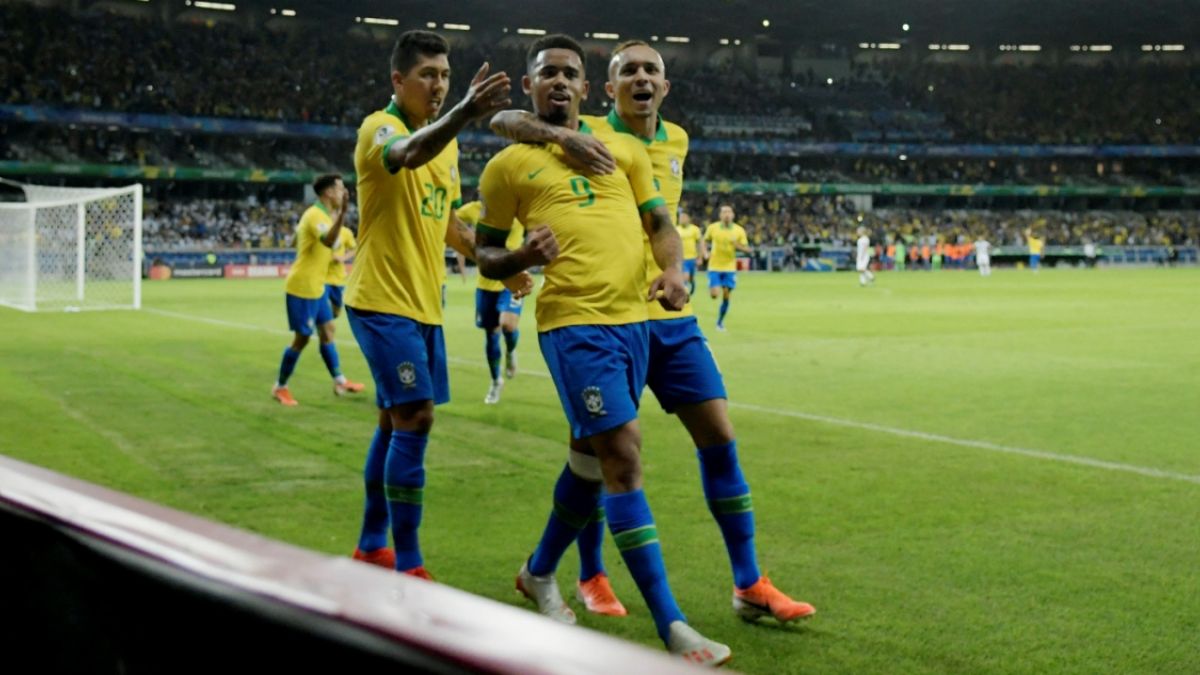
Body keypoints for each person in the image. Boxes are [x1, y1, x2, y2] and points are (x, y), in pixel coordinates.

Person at [491, 38, 815, 634]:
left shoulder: (677, 141)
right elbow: (506, 118)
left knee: (718, 435)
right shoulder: (582, 130)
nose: (641, 79)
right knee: (596, 453)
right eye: (627, 71)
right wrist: (560, 137)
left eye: (652, 71)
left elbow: (661, 222)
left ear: (666, 86)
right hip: (597, 316)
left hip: (666, 316)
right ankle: (590, 573)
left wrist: (675, 272)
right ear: (606, 88)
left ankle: (749, 583)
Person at [477, 34, 729, 665]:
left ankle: (537, 572)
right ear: (532, 86)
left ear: (587, 90)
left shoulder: (625, 151)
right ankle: (672, 626)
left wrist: (675, 272)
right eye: (546, 74)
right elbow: (483, 254)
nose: (558, 82)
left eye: (569, 74)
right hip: (572, 325)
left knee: (588, 464)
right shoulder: (507, 167)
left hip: (636, 324)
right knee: (623, 455)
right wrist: (520, 256)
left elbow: (661, 225)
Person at [344, 30, 525, 576]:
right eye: (429, 75)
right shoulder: (381, 128)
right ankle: (409, 563)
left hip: (423, 305)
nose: (439, 85)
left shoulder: (446, 148)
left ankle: (373, 544)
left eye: (445, 76)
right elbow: (406, 153)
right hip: (380, 300)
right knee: (417, 417)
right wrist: (467, 111)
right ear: (399, 80)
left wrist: (506, 263)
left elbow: (450, 226)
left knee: (392, 422)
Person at [272, 174, 365, 406]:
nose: (345, 193)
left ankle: (339, 380)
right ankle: (280, 386)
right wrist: (343, 214)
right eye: (341, 189)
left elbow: (297, 239)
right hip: (302, 286)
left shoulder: (318, 216)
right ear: (328, 193)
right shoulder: (315, 215)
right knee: (301, 339)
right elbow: (327, 240)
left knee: (328, 330)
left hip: (318, 286)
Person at [457, 200, 525, 404]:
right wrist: (467, 244)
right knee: (491, 334)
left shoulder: (517, 207)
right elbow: (452, 220)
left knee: (507, 325)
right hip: (486, 281)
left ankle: (511, 350)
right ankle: (496, 381)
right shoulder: (475, 209)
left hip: (512, 277)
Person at [704, 205, 751, 331]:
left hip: (730, 267)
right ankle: (712, 285)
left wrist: (737, 245)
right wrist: (704, 253)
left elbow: (747, 249)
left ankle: (719, 322)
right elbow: (704, 241)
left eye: (729, 212)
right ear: (720, 215)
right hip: (714, 266)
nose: (727, 214)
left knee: (726, 295)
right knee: (714, 294)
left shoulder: (739, 230)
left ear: (733, 215)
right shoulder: (712, 228)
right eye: (724, 212)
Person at [326, 219, 357, 319]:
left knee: (337, 311)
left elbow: (354, 249)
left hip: (338, 279)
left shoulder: (345, 232)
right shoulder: (322, 230)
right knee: (322, 311)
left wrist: (343, 258)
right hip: (321, 277)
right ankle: (323, 325)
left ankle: (327, 323)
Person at [676, 210, 705, 295]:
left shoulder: (695, 229)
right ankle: (684, 294)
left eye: (684, 217)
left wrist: (700, 257)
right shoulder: (676, 229)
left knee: (690, 278)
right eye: (681, 217)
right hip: (681, 258)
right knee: (685, 277)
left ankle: (692, 283)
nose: (682, 219)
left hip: (692, 258)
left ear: (688, 219)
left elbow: (699, 243)